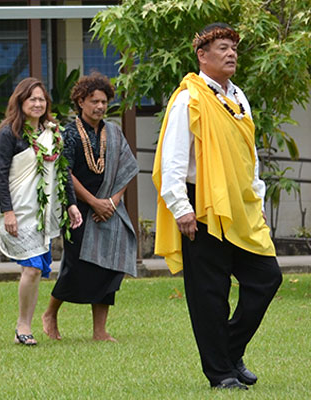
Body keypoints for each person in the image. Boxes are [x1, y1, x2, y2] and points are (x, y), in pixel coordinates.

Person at [153, 23, 281, 390]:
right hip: (201, 205)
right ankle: (221, 373)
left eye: (234, 49)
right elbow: (173, 161)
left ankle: (229, 349)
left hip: (241, 206)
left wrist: (255, 198)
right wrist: (181, 208)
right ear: (202, 55)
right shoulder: (188, 98)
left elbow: (249, 156)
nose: (231, 54)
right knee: (210, 293)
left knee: (266, 277)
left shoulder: (238, 97)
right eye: (223, 48)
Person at [41, 73, 138, 342]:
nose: (100, 106)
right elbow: (65, 172)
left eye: (104, 102)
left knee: (110, 267)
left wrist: (112, 201)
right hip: (78, 208)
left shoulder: (113, 132)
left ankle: (100, 330)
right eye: (94, 101)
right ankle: (50, 313)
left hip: (110, 207)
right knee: (77, 266)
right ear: (81, 101)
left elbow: (126, 168)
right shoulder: (69, 133)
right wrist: (93, 202)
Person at [0, 77, 82, 346]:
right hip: (19, 210)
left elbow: (63, 171)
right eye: (32, 99)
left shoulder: (53, 132)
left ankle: (24, 326)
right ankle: (23, 325)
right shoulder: (9, 134)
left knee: (37, 269)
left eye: (42, 99)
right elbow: (1, 176)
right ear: (20, 102)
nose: (38, 104)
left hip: (44, 211)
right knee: (31, 268)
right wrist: (8, 211)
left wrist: (71, 204)